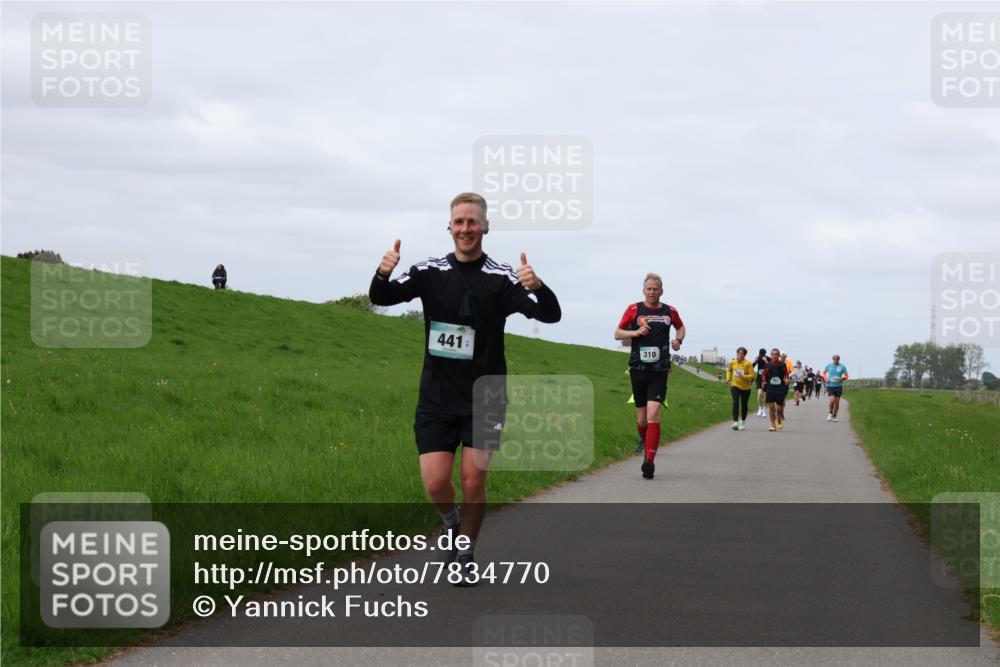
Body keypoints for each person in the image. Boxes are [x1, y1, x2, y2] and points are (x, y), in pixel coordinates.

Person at [369, 192, 561, 586]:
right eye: (459, 222)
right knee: (436, 482)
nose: (466, 228)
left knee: (473, 481)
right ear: (450, 227)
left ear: (486, 227)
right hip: (437, 396)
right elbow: (380, 297)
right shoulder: (429, 271)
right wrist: (383, 272)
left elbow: (550, 314)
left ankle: (466, 554)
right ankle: (450, 522)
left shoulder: (502, 278)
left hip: (485, 397)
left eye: (473, 222)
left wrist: (538, 286)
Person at [615, 273, 685, 480]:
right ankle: (646, 443)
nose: (652, 292)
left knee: (654, 414)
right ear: (643, 290)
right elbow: (618, 333)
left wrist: (678, 341)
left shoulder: (670, 311)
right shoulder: (634, 309)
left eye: (656, 289)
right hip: (637, 369)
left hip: (660, 370)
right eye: (649, 289)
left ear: (661, 291)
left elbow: (680, 327)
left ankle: (649, 461)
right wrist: (634, 333)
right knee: (642, 420)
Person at [725, 347, 755, 430]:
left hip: (746, 387)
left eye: (742, 354)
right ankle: (735, 422)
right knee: (735, 402)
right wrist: (728, 378)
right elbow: (729, 370)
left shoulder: (748, 364)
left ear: (745, 355)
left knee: (744, 405)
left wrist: (744, 376)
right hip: (735, 385)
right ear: (737, 354)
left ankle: (743, 421)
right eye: (739, 353)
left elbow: (752, 375)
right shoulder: (732, 362)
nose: (740, 355)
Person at [761, 348, 789, 431]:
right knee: (772, 408)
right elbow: (764, 375)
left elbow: (786, 374)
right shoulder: (768, 365)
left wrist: (787, 379)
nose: (774, 356)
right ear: (771, 355)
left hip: (780, 388)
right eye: (773, 354)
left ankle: (779, 418)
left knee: (779, 408)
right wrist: (763, 381)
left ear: (779, 355)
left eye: (776, 354)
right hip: (770, 388)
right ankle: (773, 424)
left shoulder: (782, 364)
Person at [823, 354, 849, 422]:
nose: (836, 360)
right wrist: (826, 379)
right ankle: (830, 413)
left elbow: (846, 375)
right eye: (834, 359)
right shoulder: (829, 366)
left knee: (837, 402)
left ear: (839, 359)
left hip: (838, 386)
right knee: (832, 400)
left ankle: (835, 416)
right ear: (832, 359)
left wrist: (842, 378)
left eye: (837, 359)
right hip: (830, 386)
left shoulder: (842, 366)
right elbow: (824, 372)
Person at [753, 348, 769, 417]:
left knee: (765, 395)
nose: (762, 355)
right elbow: (751, 367)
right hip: (759, 378)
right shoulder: (758, 358)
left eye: (763, 354)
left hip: (766, 378)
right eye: (760, 354)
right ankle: (760, 407)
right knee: (759, 393)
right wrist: (754, 361)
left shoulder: (768, 358)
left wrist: (766, 361)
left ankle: (764, 409)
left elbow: (771, 366)